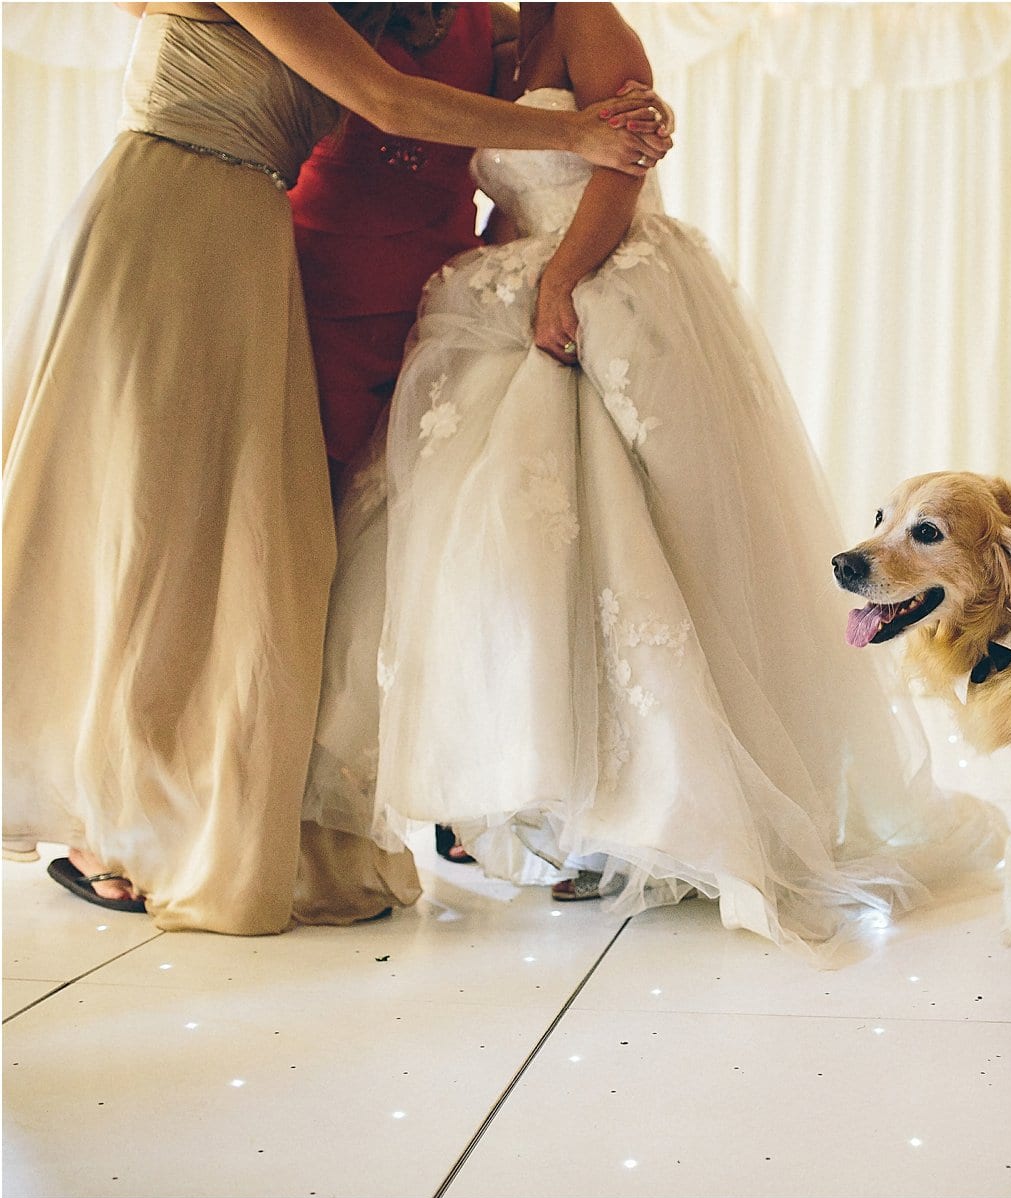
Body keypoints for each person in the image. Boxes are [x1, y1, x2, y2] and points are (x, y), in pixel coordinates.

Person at [306, 2, 1004, 962]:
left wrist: (562, 279)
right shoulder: (507, 37)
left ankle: (659, 803)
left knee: (630, 549)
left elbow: (623, 164)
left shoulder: (592, 21)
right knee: (512, 557)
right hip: (506, 284)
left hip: (600, 279)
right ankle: (552, 796)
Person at [1, 1, 668, 933]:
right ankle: (107, 818)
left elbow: (510, 56)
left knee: (260, 550)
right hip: (166, 223)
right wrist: (580, 132)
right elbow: (384, 98)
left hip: (248, 242)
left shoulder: (402, 12)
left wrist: (624, 104)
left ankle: (235, 805)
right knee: (149, 526)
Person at [288, 3, 518, 866]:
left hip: (437, 304)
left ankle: (450, 774)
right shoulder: (335, 14)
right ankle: (292, 788)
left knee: (432, 552)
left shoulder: (490, 28)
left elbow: (525, 154)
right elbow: (388, 103)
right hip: (322, 289)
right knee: (316, 545)